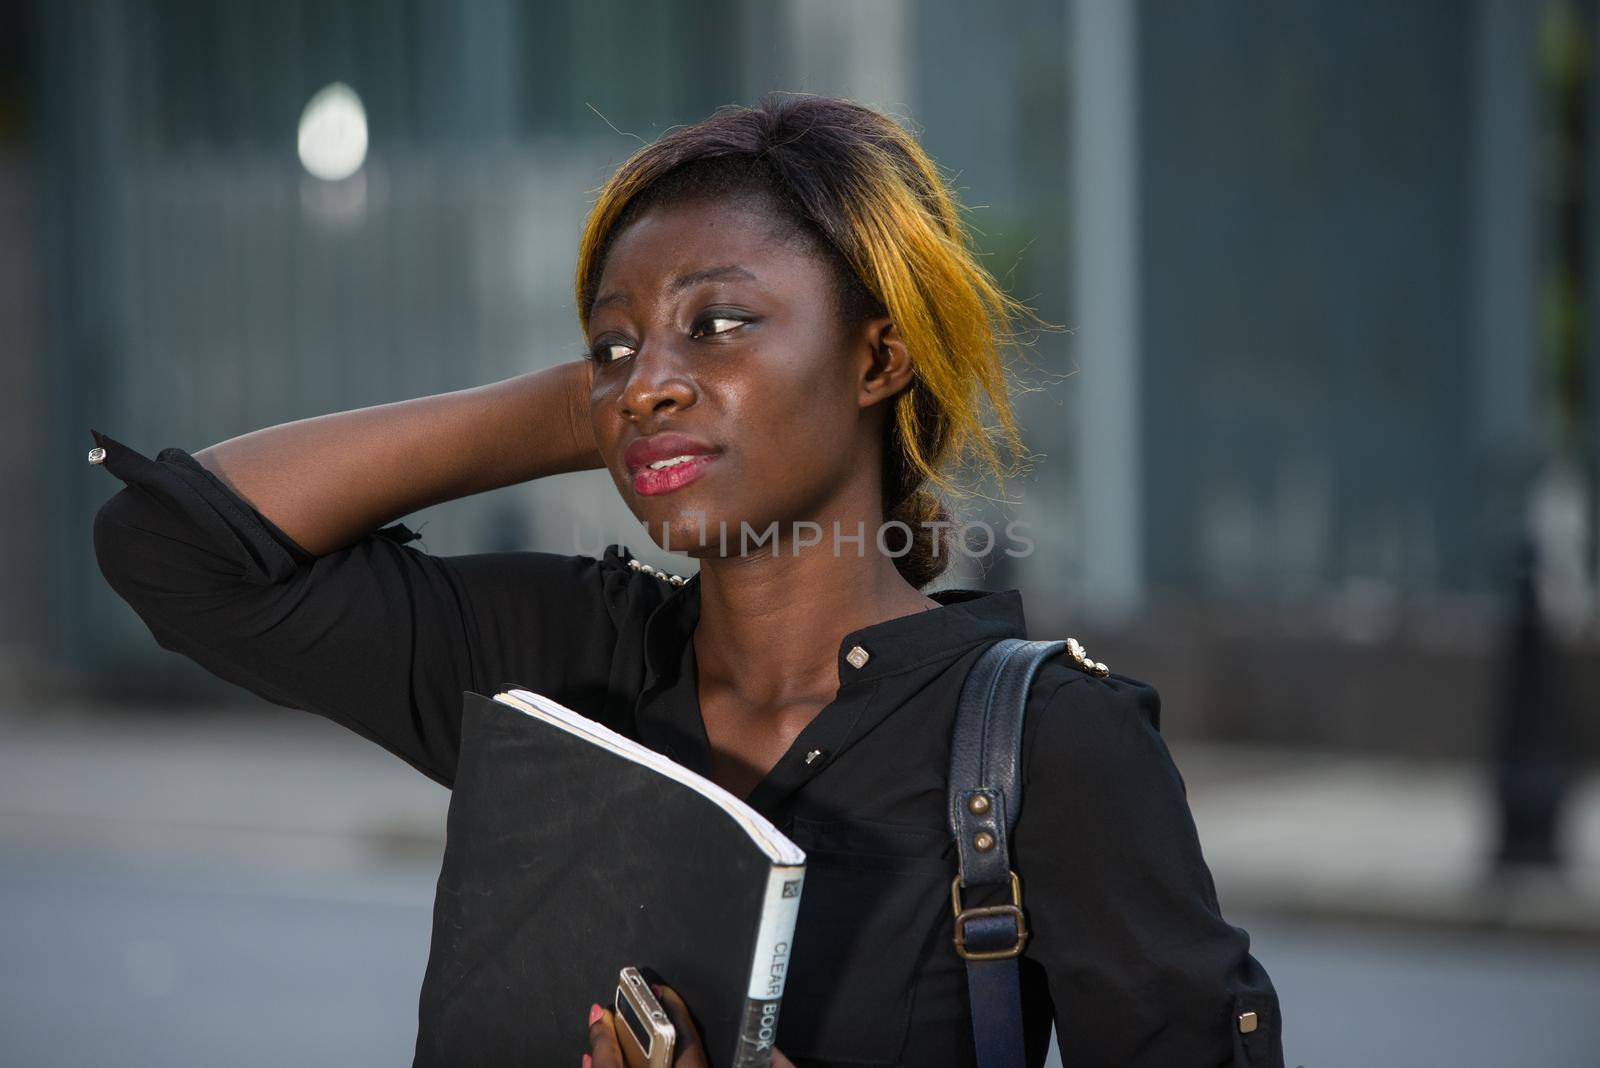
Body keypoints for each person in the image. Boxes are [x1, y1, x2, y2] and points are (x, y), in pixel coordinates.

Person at [90, 93, 1284, 1067]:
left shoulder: (1049, 748)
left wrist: (649, 381)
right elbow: (175, 550)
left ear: (878, 356)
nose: (648, 377)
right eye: (612, 342)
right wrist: (604, 401)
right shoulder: (560, 671)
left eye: (719, 323)